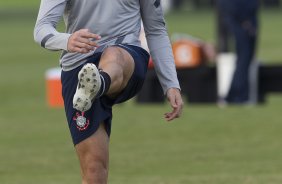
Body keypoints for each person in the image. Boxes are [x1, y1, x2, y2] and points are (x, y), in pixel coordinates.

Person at [34, 0, 183, 183]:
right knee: (94, 171)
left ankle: (99, 83)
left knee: (114, 55)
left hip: (127, 55)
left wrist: (171, 83)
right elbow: (41, 29)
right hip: (79, 65)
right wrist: (67, 40)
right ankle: (92, 85)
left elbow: (156, 29)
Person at [216, 0, 259, 104]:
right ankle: (239, 95)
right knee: (244, 60)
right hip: (242, 21)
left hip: (240, 20)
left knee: (244, 60)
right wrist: (245, 20)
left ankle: (234, 94)